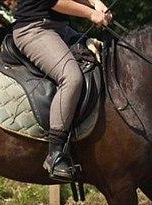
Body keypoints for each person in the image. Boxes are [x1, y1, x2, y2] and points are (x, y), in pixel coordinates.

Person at [13, 0, 112, 181]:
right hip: (34, 29)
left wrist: (95, 2)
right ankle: (55, 153)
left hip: (61, 30)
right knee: (71, 77)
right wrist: (90, 13)